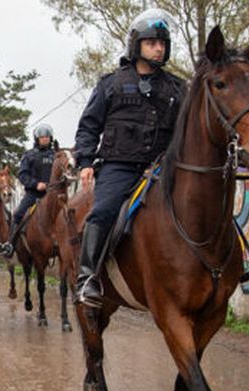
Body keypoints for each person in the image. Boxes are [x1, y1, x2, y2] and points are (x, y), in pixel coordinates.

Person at [74, 8, 186, 307]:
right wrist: (85, 162)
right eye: (152, 42)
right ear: (136, 45)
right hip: (119, 166)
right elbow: (88, 126)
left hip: (162, 168)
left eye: (162, 43)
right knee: (102, 211)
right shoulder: (110, 83)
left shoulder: (177, 88)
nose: (159, 48)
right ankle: (87, 278)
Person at [10, 123, 58, 246]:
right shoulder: (29, 155)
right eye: (42, 137)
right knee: (18, 215)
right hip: (34, 194)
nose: (45, 139)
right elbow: (22, 175)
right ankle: (10, 245)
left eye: (47, 137)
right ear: (37, 139)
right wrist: (36, 184)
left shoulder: (56, 156)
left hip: (54, 194)